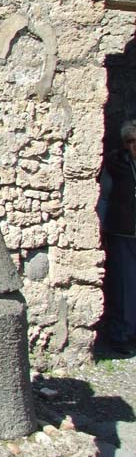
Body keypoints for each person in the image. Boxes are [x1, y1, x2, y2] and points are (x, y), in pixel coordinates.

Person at [98, 119, 136, 349]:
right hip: (123, 232)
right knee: (124, 286)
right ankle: (121, 334)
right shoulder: (116, 165)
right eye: (131, 141)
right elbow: (104, 197)